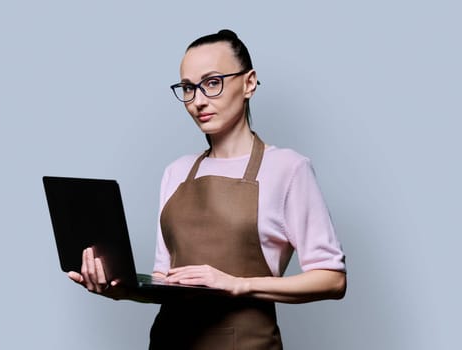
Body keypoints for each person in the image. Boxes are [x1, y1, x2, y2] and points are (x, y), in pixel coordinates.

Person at [68, 29, 346, 349]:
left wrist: (237, 285)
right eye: (188, 88)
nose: (198, 100)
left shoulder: (288, 168)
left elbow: (332, 278)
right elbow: (166, 280)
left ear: (249, 83)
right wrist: (120, 289)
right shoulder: (176, 172)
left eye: (212, 83)